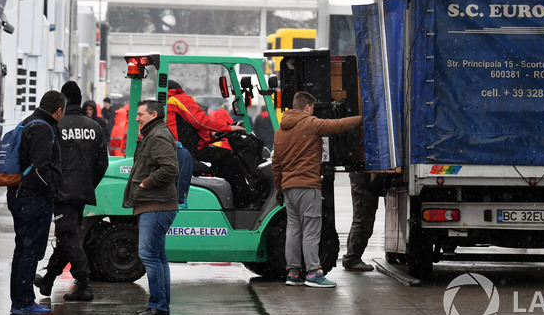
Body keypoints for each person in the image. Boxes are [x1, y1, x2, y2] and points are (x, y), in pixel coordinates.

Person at [272, 91, 362, 288]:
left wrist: (279, 188)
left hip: (289, 188)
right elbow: (337, 126)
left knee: (293, 230)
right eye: (312, 108)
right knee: (311, 230)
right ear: (307, 107)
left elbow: (275, 164)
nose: (313, 111)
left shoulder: (279, 132)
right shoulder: (310, 124)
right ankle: (313, 273)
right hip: (307, 186)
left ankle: (293, 273)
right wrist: (362, 118)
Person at [34, 82, 109, 301]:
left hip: (61, 191)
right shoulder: (94, 127)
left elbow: (45, 160)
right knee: (69, 236)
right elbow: (102, 163)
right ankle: (48, 280)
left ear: (62, 100)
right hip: (82, 191)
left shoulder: (55, 125)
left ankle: (84, 284)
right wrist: (88, 183)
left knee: (67, 235)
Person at [7, 90, 66, 315]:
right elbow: (41, 168)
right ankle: (23, 303)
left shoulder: (28, 122)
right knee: (30, 251)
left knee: (22, 249)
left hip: (20, 194)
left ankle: (20, 301)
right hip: (33, 198)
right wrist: (51, 191)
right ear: (59, 110)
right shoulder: (43, 128)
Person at [123, 99, 179, 315]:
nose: (137, 118)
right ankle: (161, 306)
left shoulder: (158, 137)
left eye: (141, 114)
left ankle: (158, 305)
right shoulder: (152, 135)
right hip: (155, 204)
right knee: (158, 256)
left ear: (153, 115)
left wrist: (146, 183)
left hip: (156, 205)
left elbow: (170, 168)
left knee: (148, 255)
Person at [165, 80, 256, 208]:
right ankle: (244, 201)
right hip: (189, 152)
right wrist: (227, 128)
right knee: (229, 159)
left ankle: (236, 199)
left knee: (222, 158)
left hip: (181, 149)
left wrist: (213, 136)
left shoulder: (164, 104)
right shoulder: (177, 98)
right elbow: (200, 120)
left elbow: (185, 131)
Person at [342, 171, 387, 271]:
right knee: (363, 221)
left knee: (362, 220)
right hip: (365, 182)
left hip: (364, 180)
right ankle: (352, 259)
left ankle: (352, 257)